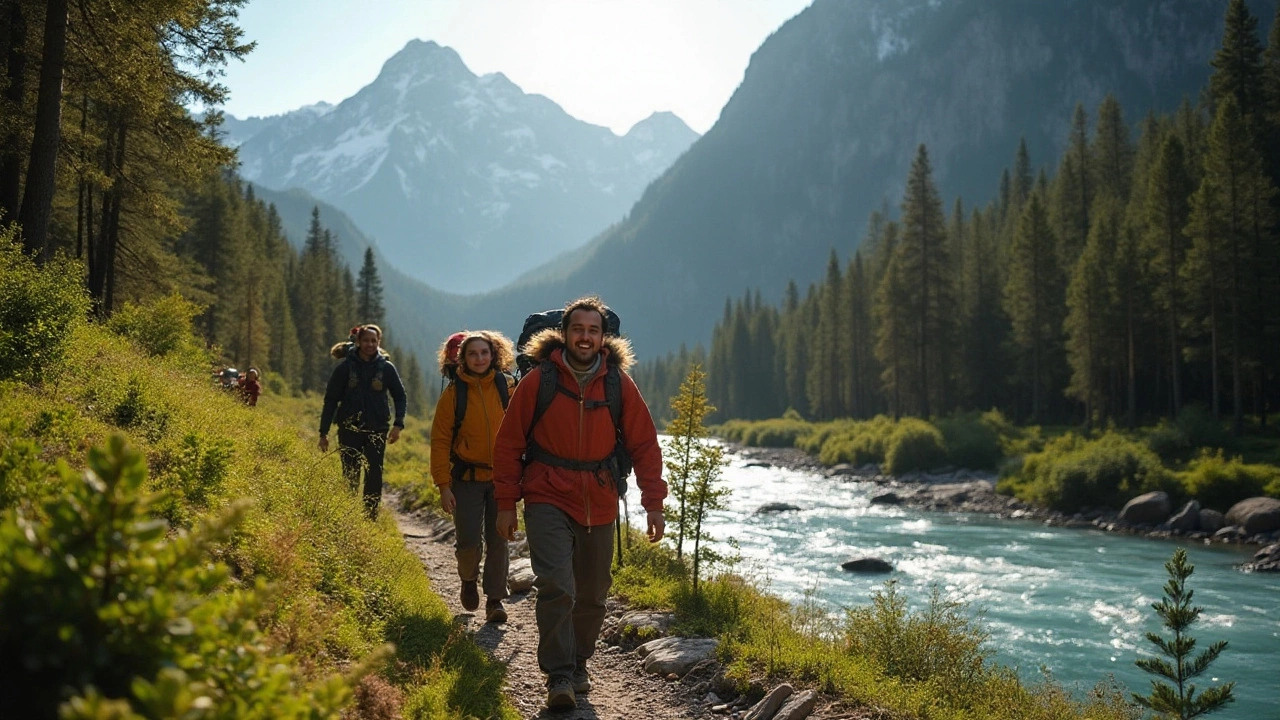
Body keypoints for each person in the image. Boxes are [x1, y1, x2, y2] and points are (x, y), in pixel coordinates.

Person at [492, 296, 667, 711]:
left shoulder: (618, 384)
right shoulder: (540, 381)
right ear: (564, 334)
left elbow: (644, 444)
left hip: (600, 496)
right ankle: (559, 675)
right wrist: (505, 502)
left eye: (593, 330)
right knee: (556, 586)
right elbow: (508, 443)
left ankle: (579, 662)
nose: (585, 337)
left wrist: (653, 503)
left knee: (592, 593)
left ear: (602, 337)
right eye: (578, 330)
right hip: (546, 492)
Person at [431, 331, 516, 623]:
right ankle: (468, 580)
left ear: (494, 355)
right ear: (461, 359)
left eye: (484, 353)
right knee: (468, 542)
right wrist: (444, 485)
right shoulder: (454, 395)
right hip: (465, 479)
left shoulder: (508, 387)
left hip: (502, 479)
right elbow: (440, 441)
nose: (479, 358)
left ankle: (495, 601)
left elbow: (524, 431)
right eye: (472, 354)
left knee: (499, 539)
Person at [319, 324, 407, 518]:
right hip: (349, 429)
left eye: (373, 341)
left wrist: (398, 425)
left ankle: (370, 517)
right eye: (366, 340)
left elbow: (400, 396)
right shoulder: (344, 368)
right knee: (350, 472)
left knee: (374, 474)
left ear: (379, 342)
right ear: (358, 342)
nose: (369, 344)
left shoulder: (387, 369)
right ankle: (349, 515)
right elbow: (331, 400)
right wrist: (323, 433)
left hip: (377, 429)